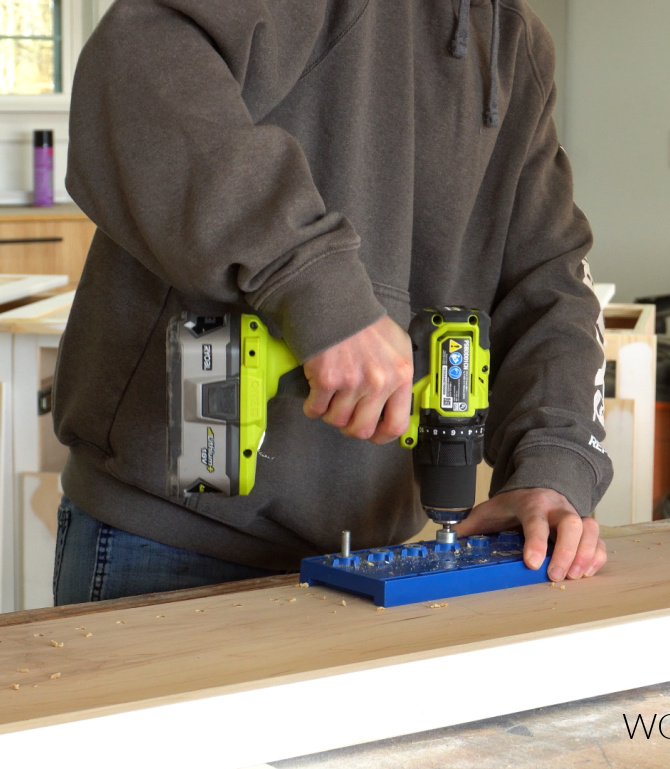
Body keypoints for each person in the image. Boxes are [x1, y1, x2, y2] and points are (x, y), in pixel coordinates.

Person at [51, 0, 613, 605]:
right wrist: (317, 289)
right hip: (170, 539)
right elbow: (136, 67)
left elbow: (551, 283)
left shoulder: (514, 43)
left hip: (374, 558)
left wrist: (552, 470)